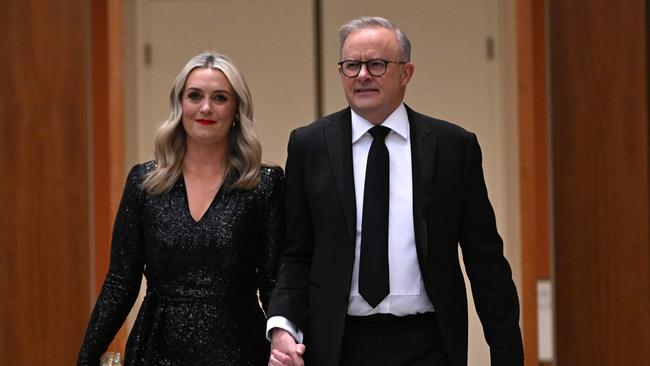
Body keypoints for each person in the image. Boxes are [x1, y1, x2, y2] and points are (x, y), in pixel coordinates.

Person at [266, 17, 523, 366]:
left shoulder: (452, 147)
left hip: (427, 341)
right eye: (351, 65)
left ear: (406, 73)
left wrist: (507, 353)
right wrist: (284, 325)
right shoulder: (310, 146)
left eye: (376, 64)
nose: (362, 75)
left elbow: (486, 261)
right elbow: (296, 254)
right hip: (338, 342)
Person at [77, 51, 284, 365]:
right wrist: (87, 356)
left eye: (220, 98)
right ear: (179, 105)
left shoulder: (263, 185)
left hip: (240, 350)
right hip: (156, 350)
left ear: (237, 110)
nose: (205, 107)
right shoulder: (144, 182)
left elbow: (274, 284)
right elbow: (121, 282)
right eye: (195, 96)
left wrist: (290, 343)